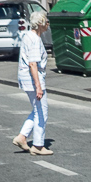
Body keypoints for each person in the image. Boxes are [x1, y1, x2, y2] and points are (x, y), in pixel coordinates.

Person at [12, 10, 53, 156]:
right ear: (41, 23)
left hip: (25, 78)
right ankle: (38, 145)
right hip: (33, 79)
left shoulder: (28, 36)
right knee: (42, 112)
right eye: (46, 21)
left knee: (37, 110)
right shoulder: (35, 40)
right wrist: (38, 87)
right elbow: (33, 64)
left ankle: (22, 137)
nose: (48, 24)